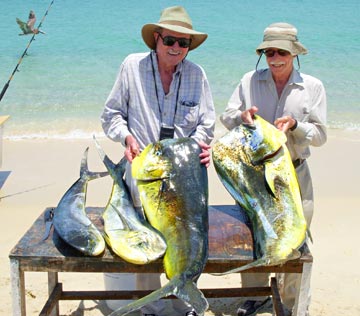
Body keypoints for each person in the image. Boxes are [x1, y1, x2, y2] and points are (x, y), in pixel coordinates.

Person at [101, 6, 216, 316]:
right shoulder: (131, 66)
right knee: (144, 244)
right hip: (142, 176)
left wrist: (202, 146)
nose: (176, 48)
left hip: (185, 180)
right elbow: (110, 115)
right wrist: (125, 137)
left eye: (184, 43)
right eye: (170, 41)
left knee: (187, 240)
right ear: (156, 38)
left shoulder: (197, 74)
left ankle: (184, 304)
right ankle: (148, 308)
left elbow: (207, 124)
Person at [220, 22, 327, 316]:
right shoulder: (248, 80)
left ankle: (292, 305)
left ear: (294, 53)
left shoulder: (313, 87)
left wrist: (295, 126)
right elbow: (226, 117)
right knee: (254, 234)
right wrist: (242, 117)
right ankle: (254, 295)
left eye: (282, 51)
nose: (275, 57)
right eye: (269, 52)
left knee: (297, 241)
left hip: (295, 174)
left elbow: (320, 136)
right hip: (254, 175)